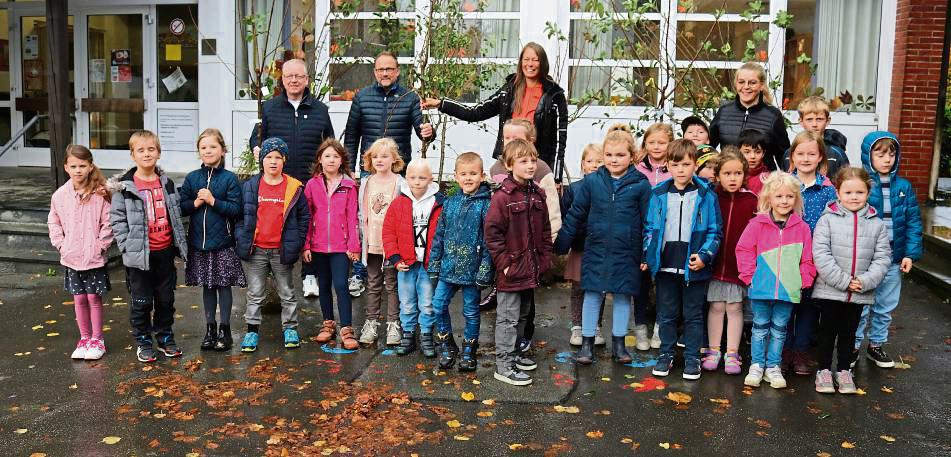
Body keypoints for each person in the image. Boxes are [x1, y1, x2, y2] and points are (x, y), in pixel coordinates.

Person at [555, 125, 651, 365]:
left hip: (627, 251)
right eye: (609, 155)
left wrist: (647, 255)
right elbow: (576, 214)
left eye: (620, 155)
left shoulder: (640, 185)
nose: (613, 160)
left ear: (632, 156)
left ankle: (619, 345)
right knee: (592, 294)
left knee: (621, 297)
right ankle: (587, 344)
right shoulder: (592, 182)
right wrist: (561, 244)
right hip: (596, 248)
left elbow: (649, 222)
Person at [248, 58, 335, 297]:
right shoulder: (270, 108)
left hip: (310, 181)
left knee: (308, 228)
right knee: (277, 227)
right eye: (289, 77)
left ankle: (309, 275)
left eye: (299, 76)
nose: (294, 80)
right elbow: (256, 137)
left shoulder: (320, 110)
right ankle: (276, 279)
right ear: (283, 80)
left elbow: (329, 143)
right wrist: (257, 147)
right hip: (279, 182)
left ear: (307, 79)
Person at [421, 42, 569, 182]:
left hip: (536, 165)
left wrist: (556, 177)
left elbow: (559, 140)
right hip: (508, 163)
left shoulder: (554, 95)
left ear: (542, 63)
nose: (530, 64)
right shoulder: (509, 90)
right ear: (521, 62)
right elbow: (475, 112)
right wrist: (441, 104)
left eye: (535, 60)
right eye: (526, 59)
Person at [644, 139, 722, 381]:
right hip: (666, 264)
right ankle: (666, 354)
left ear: (694, 165)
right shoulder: (658, 194)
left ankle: (691, 357)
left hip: (693, 264)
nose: (681, 169)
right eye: (675, 164)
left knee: (693, 314)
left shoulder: (706, 194)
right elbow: (649, 228)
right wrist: (648, 254)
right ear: (668, 165)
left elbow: (715, 231)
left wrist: (705, 256)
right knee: (666, 313)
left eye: (686, 164)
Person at [109, 131, 189, 363]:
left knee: (165, 300)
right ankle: (143, 340)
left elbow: (175, 212)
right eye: (141, 150)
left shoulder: (167, 183)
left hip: (164, 253)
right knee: (141, 301)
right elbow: (117, 220)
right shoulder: (124, 188)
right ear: (132, 155)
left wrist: (177, 244)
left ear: (159, 153)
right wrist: (126, 246)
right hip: (138, 257)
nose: (146, 154)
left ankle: (165, 337)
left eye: (151, 149)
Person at [812, 167, 891, 394]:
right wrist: (843, 281)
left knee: (850, 332)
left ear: (868, 193)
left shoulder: (876, 224)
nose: (854, 197)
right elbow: (821, 254)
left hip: (859, 291)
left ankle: (844, 370)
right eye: (848, 192)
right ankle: (824, 371)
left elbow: (883, 257)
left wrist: (864, 282)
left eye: (859, 192)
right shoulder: (827, 220)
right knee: (827, 331)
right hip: (831, 289)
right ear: (838, 192)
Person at [487, 118, 562, 353]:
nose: (530, 165)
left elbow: (549, 225)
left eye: (533, 159)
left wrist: (544, 258)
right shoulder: (500, 187)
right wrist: (504, 264)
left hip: (532, 263)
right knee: (508, 315)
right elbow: (493, 230)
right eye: (506, 138)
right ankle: (505, 360)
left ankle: (519, 350)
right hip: (511, 264)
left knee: (524, 312)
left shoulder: (538, 188)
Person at [736, 173, 816, 389]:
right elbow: (743, 250)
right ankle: (757, 366)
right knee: (760, 327)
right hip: (760, 288)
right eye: (779, 196)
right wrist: (749, 276)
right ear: (769, 198)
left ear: (796, 199)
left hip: (788, 290)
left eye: (789, 196)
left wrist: (804, 279)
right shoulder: (756, 225)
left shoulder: (802, 228)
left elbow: (807, 259)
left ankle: (773, 367)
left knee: (780, 328)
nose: (784, 201)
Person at [852, 131, 922, 368]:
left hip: (894, 258)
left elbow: (913, 221)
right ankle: (853, 346)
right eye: (880, 154)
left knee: (885, 306)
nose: (886, 159)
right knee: (861, 305)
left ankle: (876, 346)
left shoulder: (904, 186)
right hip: (867, 260)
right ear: (867, 155)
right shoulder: (862, 185)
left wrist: (910, 254)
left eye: (891, 154)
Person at [234, 138, 310, 352]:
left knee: (287, 291)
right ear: (262, 160)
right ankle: (251, 331)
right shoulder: (250, 186)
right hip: (256, 249)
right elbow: (240, 216)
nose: (273, 162)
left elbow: (304, 217)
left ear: (284, 161)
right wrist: (241, 236)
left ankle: (290, 329)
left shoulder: (293, 187)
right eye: (269, 157)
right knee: (255, 292)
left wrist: (298, 243)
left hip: (281, 250)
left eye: (278, 157)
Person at [179, 129, 246, 352]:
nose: (208, 151)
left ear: (223, 150)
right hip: (199, 243)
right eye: (204, 147)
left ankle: (225, 330)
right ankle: (209, 329)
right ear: (199, 152)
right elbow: (180, 207)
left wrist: (214, 201)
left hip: (223, 244)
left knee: (223, 285)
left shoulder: (229, 179)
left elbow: (237, 209)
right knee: (207, 286)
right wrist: (196, 203)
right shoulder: (191, 178)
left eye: (213, 147)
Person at [428, 152, 494, 371]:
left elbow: (488, 241)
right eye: (464, 174)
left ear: (482, 176)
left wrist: (485, 271)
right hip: (448, 268)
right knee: (438, 305)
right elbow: (439, 235)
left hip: (472, 271)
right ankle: (447, 344)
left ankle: (469, 349)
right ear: (456, 176)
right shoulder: (450, 203)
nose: (468, 178)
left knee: (471, 311)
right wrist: (435, 263)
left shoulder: (486, 205)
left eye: (473, 174)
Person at [48, 145, 113, 361]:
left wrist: (100, 245)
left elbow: (109, 222)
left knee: (93, 297)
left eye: (82, 166)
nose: (78, 170)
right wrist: (61, 244)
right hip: (72, 257)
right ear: (66, 167)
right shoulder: (60, 196)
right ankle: (84, 338)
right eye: (73, 166)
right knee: (79, 298)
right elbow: (54, 222)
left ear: (90, 166)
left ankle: (97, 339)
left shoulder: (99, 194)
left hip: (93, 257)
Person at [784, 130, 837, 375]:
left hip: (814, 258)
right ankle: (782, 352)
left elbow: (836, 221)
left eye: (811, 154)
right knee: (785, 306)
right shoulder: (784, 184)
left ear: (820, 158)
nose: (806, 158)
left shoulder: (827, 189)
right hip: (785, 255)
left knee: (807, 308)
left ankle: (801, 352)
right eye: (800, 153)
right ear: (792, 157)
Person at [703, 148, 757, 375]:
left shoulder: (752, 200)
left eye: (737, 173)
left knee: (735, 307)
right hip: (715, 264)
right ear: (718, 175)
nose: (732, 178)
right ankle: (714, 350)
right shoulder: (711, 197)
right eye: (727, 173)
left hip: (739, 266)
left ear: (745, 174)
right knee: (716, 306)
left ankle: (732, 353)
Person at [382, 158, 443, 357]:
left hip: (428, 264)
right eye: (413, 177)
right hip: (405, 263)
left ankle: (426, 335)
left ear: (431, 179)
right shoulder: (398, 203)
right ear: (406, 178)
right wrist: (395, 258)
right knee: (406, 301)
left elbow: (445, 232)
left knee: (427, 301)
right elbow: (388, 232)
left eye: (422, 177)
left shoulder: (439, 203)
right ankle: (408, 335)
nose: (417, 181)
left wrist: (439, 258)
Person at [305, 139, 362, 350]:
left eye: (336, 156)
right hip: (318, 246)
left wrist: (354, 246)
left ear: (341, 161)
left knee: (341, 284)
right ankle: (328, 324)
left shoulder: (348, 186)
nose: (331, 160)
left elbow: (352, 218)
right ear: (320, 159)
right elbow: (307, 217)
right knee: (324, 286)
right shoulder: (312, 185)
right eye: (327, 156)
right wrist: (306, 245)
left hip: (341, 246)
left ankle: (346, 328)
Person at [343, 51, 434, 169]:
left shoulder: (410, 97)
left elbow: (422, 131)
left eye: (389, 69)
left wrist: (428, 133)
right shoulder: (361, 97)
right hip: (370, 168)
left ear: (397, 71)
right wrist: (348, 170)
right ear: (375, 72)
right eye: (380, 70)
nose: (385, 73)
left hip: (399, 168)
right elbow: (351, 137)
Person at [357, 138, 404, 347]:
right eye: (375, 156)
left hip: (392, 244)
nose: (379, 160)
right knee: (373, 283)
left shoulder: (400, 182)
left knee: (392, 285)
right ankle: (371, 323)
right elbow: (362, 213)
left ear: (394, 159)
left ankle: (394, 324)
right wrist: (361, 242)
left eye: (384, 156)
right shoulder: (367, 182)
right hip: (372, 243)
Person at [562, 143, 607, 347]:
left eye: (599, 161)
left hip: (602, 248)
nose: (594, 165)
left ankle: (596, 325)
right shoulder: (573, 189)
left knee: (599, 288)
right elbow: (567, 216)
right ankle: (577, 326)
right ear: (582, 164)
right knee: (578, 288)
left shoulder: (609, 189)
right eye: (590, 161)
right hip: (581, 246)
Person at [709, 62, 790, 170]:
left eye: (752, 83)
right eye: (741, 82)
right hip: (729, 179)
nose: (746, 87)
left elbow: (783, 156)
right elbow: (709, 147)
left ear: (761, 86)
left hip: (763, 182)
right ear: (736, 84)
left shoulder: (773, 115)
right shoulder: (724, 112)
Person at [781, 96, 850, 176]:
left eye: (819, 119)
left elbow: (845, 182)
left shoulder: (837, 154)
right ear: (801, 121)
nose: (814, 124)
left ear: (828, 121)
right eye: (809, 119)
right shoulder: (789, 154)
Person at [635, 122, 673, 187]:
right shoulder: (637, 169)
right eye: (651, 143)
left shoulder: (676, 168)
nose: (656, 147)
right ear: (645, 144)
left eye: (661, 143)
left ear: (671, 144)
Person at [738, 129, 770, 195]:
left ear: (763, 153)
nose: (752, 156)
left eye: (758, 152)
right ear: (739, 152)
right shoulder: (732, 174)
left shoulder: (768, 179)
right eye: (747, 152)